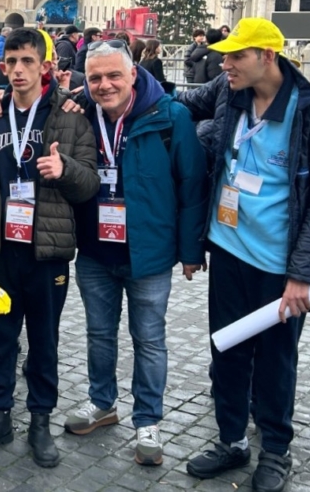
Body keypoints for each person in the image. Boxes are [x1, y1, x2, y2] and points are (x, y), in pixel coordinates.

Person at [176, 19, 310, 492]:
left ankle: (275, 449)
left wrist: (302, 274)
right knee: (226, 349)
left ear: (267, 57)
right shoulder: (229, 91)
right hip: (229, 251)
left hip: (279, 266)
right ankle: (231, 440)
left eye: (236, 56)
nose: (224, 63)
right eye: (224, 56)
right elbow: (180, 101)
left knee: (275, 360)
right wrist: (96, 89)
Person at [0, 27, 99, 468]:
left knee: (44, 343)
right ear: (2, 67)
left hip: (46, 251)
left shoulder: (71, 117)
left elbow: (89, 182)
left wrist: (66, 168)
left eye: (27, 62)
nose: (18, 70)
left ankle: (39, 420)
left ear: (45, 67)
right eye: (11, 62)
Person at [64, 41, 207, 466]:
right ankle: (101, 401)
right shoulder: (81, 113)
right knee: (99, 334)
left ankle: (148, 420)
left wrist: (190, 250)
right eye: (94, 78)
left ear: (132, 75)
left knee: (149, 340)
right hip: (94, 250)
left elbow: (191, 186)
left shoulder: (170, 117)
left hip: (149, 252)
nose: (104, 85)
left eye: (112, 76)